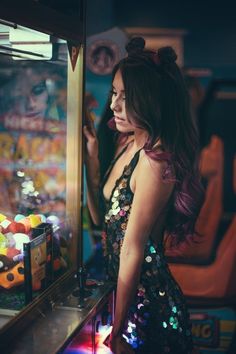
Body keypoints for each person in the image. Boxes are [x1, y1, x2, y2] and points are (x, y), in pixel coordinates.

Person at [83, 37, 204, 354]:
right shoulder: (128, 142)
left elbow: (132, 249)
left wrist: (118, 330)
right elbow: (102, 220)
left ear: (151, 100)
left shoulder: (154, 160)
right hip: (121, 299)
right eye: (114, 93)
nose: (114, 105)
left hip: (148, 309)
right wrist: (92, 161)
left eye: (127, 97)